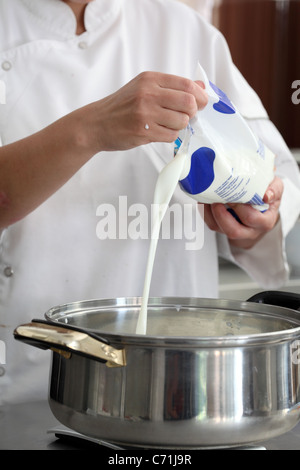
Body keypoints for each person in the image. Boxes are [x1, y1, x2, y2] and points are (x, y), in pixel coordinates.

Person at [0, 0, 300, 405]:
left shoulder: (185, 30)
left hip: (173, 385)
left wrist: (255, 217)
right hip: (29, 387)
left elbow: (276, 175)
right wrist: (90, 129)